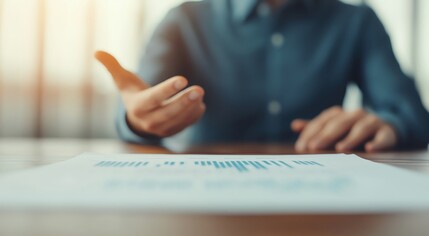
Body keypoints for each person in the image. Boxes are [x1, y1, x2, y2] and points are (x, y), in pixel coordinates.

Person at [96, 0, 429, 152]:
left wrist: (387, 124)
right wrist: (138, 117)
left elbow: (412, 116)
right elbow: (139, 105)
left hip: (322, 208)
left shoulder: (358, 21)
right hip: (204, 202)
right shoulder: (183, 20)